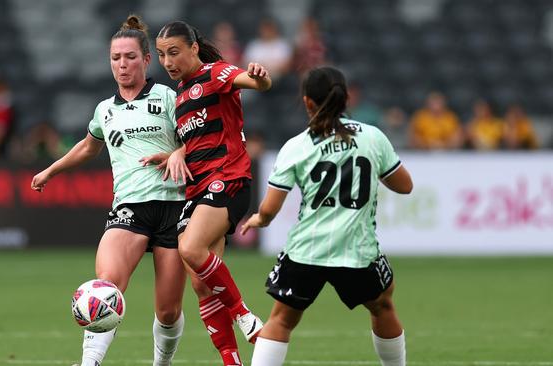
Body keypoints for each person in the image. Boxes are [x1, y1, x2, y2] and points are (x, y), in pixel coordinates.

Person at [30, 15, 187, 366]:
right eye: (116, 58)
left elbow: (198, 139)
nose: (122, 64)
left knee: (167, 310)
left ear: (147, 60)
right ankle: (89, 363)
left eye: (130, 57)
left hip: (174, 206)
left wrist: (179, 152)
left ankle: (161, 363)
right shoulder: (105, 110)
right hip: (129, 208)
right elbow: (89, 146)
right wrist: (52, 170)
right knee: (106, 285)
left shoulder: (167, 97)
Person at [241, 66, 413, 366]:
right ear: (347, 99)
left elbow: (269, 209)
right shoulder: (372, 138)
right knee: (383, 305)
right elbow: (405, 185)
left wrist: (259, 220)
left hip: (307, 250)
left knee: (281, 319)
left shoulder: (296, 147)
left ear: (307, 102)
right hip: (357, 251)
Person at [151, 20, 272, 366]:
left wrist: (261, 77)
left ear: (193, 48)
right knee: (203, 287)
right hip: (197, 189)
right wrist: (177, 152)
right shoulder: (180, 98)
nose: (168, 61)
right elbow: (195, 141)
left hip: (228, 180)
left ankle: (245, 314)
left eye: (174, 52)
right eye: (161, 55)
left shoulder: (215, 73)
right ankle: (231, 362)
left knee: (190, 247)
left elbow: (257, 83)